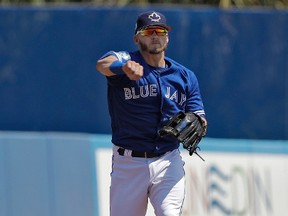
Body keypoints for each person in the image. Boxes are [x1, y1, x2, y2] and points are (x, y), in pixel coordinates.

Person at [96, 11, 207, 216]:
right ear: (137, 38)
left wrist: (197, 123)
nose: (155, 35)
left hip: (167, 161)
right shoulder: (127, 60)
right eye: (149, 31)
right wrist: (123, 68)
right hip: (128, 163)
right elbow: (102, 64)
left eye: (161, 31)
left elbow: (199, 115)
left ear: (167, 37)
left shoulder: (184, 76)